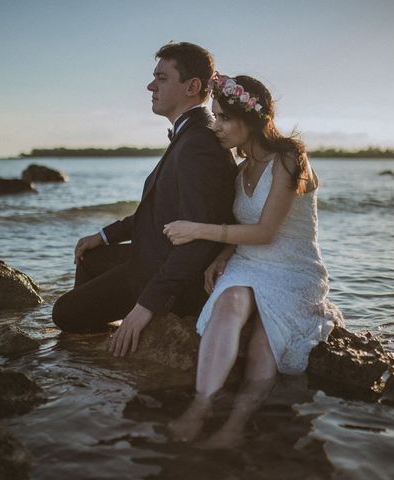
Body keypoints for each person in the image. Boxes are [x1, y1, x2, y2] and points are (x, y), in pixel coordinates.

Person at [163, 73, 344, 443]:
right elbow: (242, 227)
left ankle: (235, 424)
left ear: (251, 118)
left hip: (293, 268)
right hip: (247, 262)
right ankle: (201, 405)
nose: (216, 126)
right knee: (229, 302)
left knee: (266, 341)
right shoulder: (240, 170)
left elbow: (265, 231)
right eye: (213, 116)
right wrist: (224, 254)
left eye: (224, 117)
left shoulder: (291, 157)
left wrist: (198, 229)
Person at [52, 43, 237, 355]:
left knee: (62, 314)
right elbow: (158, 211)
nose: (150, 86)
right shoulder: (190, 133)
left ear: (192, 86)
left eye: (161, 78)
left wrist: (147, 304)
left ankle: (119, 342)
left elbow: (201, 237)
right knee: (89, 256)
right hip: (151, 256)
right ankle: (99, 347)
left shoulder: (198, 143)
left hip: (170, 276)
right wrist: (102, 235)